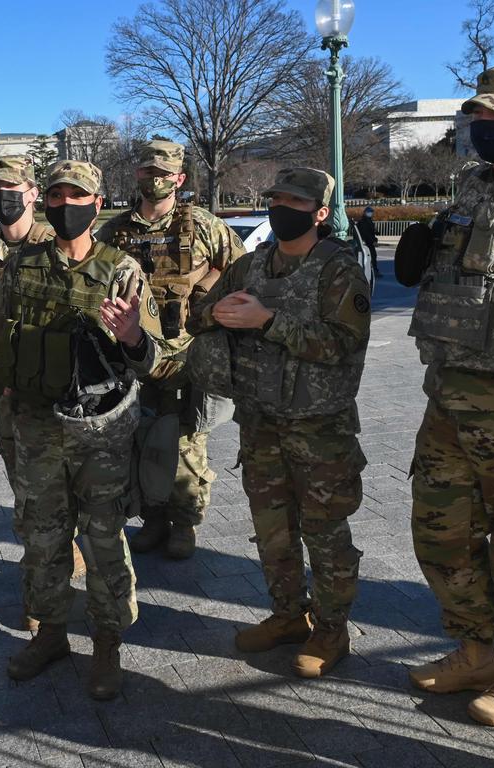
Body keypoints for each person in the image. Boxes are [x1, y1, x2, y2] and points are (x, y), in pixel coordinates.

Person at [0, 160, 165, 700]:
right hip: (33, 425)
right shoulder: (21, 267)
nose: (64, 205)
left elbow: (153, 357)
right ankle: (51, 633)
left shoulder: (121, 269)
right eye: (54, 196)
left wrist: (131, 338)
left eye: (77, 196)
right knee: (41, 537)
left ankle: (106, 644)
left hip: (101, 429)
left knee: (102, 540)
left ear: (98, 204)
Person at [403, 61, 494, 728]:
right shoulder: (471, 187)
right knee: (442, 531)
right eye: (479, 119)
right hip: (450, 396)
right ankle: (475, 651)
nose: (485, 129)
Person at [188, 167, 370, 678]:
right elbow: (196, 314)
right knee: (272, 529)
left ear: (318, 212)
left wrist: (268, 321)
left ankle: (332, 630)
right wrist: (217, 311)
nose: (280, 207)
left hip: (320, 428)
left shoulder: (339, 269)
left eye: (294, 201)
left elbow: (343, 344)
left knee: (325, 532)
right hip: (260, 420)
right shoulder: (250, 266)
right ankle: (289, 615)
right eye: (276, 198)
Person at [0, 156, 85, 631]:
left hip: (56, 396)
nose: (2, 195)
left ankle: (55, 573)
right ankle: (49, 577)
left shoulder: (59, 245)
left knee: (61, 493)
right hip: (2, 393)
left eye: (12, 187)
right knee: (27, 496)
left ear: (31, 192)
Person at [98, 139, 245, 559]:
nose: (155, 179)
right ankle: (154, 518)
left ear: (179, 178)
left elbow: (243, 273)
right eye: (148, 172)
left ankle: (185, 524)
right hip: (133, 357)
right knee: (141, 441)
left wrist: (213, 310)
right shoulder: (116, 231)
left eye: (164, 173)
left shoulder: (204, 226)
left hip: (185, 358)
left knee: (185, 445)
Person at [355, 206, 381, 277]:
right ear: (365, 213)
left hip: (368, 242)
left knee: (372, 257)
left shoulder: (368, 220)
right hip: (367, 242)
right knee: (371, 257)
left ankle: (373, 271)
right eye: (369, 212)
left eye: (371, 212)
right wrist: (373, 241)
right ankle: (373, 272)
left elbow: (370, 232)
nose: (370, 213)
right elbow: (366, 233)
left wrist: (376, 233)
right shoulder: (364, 222)